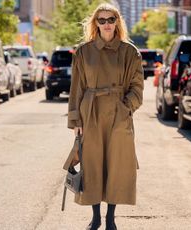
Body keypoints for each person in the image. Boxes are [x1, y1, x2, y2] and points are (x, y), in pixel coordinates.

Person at [67, 3, 144, 230]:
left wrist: (125, 108)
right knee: (92, 164)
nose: (107, 24)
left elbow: (137, 88)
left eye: (111, 20)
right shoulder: (83, 52)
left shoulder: (130, 52)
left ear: (117, 22)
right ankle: (96, 217)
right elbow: (76, 90)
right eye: (102, 20)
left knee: (117, 165)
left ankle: (111, 219)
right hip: (90, 114)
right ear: (95, 23)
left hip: (119, 116)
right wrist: (75, 121)